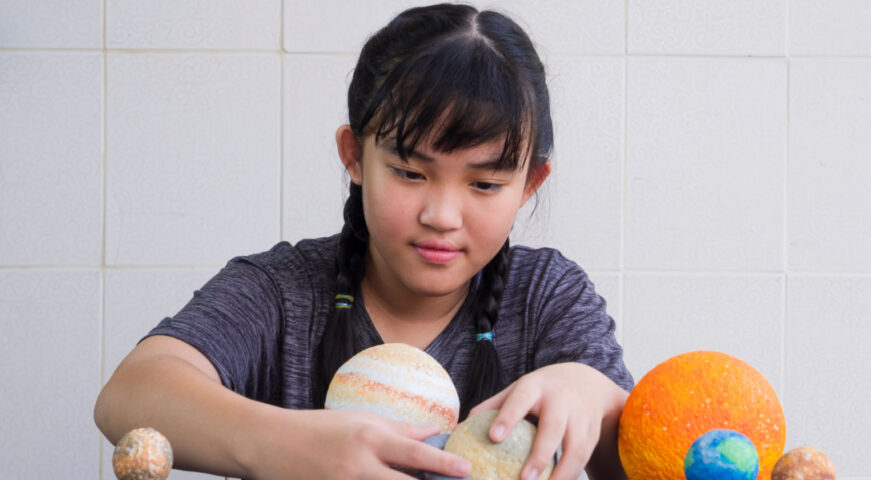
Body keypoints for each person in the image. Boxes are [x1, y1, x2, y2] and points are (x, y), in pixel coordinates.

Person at [94, 4, 633, 480]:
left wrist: (597, 396)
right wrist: (286, 444)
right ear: (354, 155)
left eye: (485, 184)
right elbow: (129, 395)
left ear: (529, 184)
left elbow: (631, 460)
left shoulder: (545, 296)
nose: (442, 216)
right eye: (409, 172)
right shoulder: (282, 290)